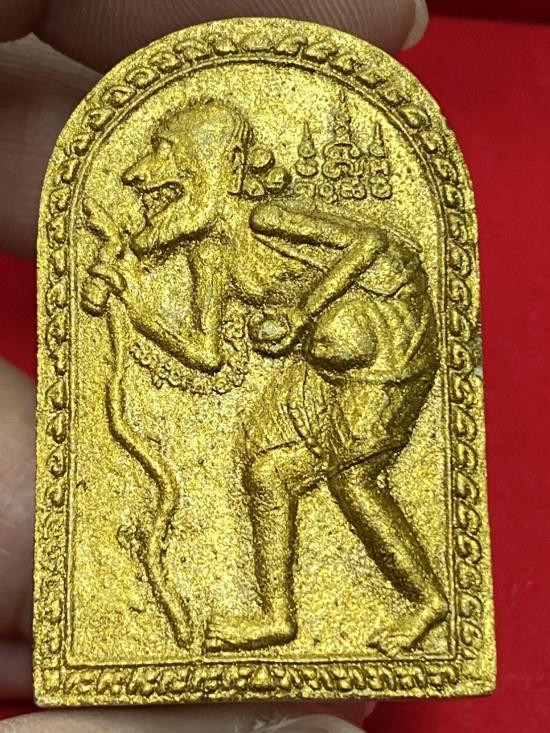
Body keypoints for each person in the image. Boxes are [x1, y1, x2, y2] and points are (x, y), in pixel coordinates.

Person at [0, 1, 429, 731]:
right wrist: (130, 299)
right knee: (269, 472)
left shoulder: (267, 217)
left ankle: (425, 603)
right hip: (322, 364)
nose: (142, 179)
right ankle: (276, 616)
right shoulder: (210, 257)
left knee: (353, 478)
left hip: (386, 349)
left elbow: (374, 246)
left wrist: (305, 311)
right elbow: (202, 352)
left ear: (204, 170)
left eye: (164, 161)